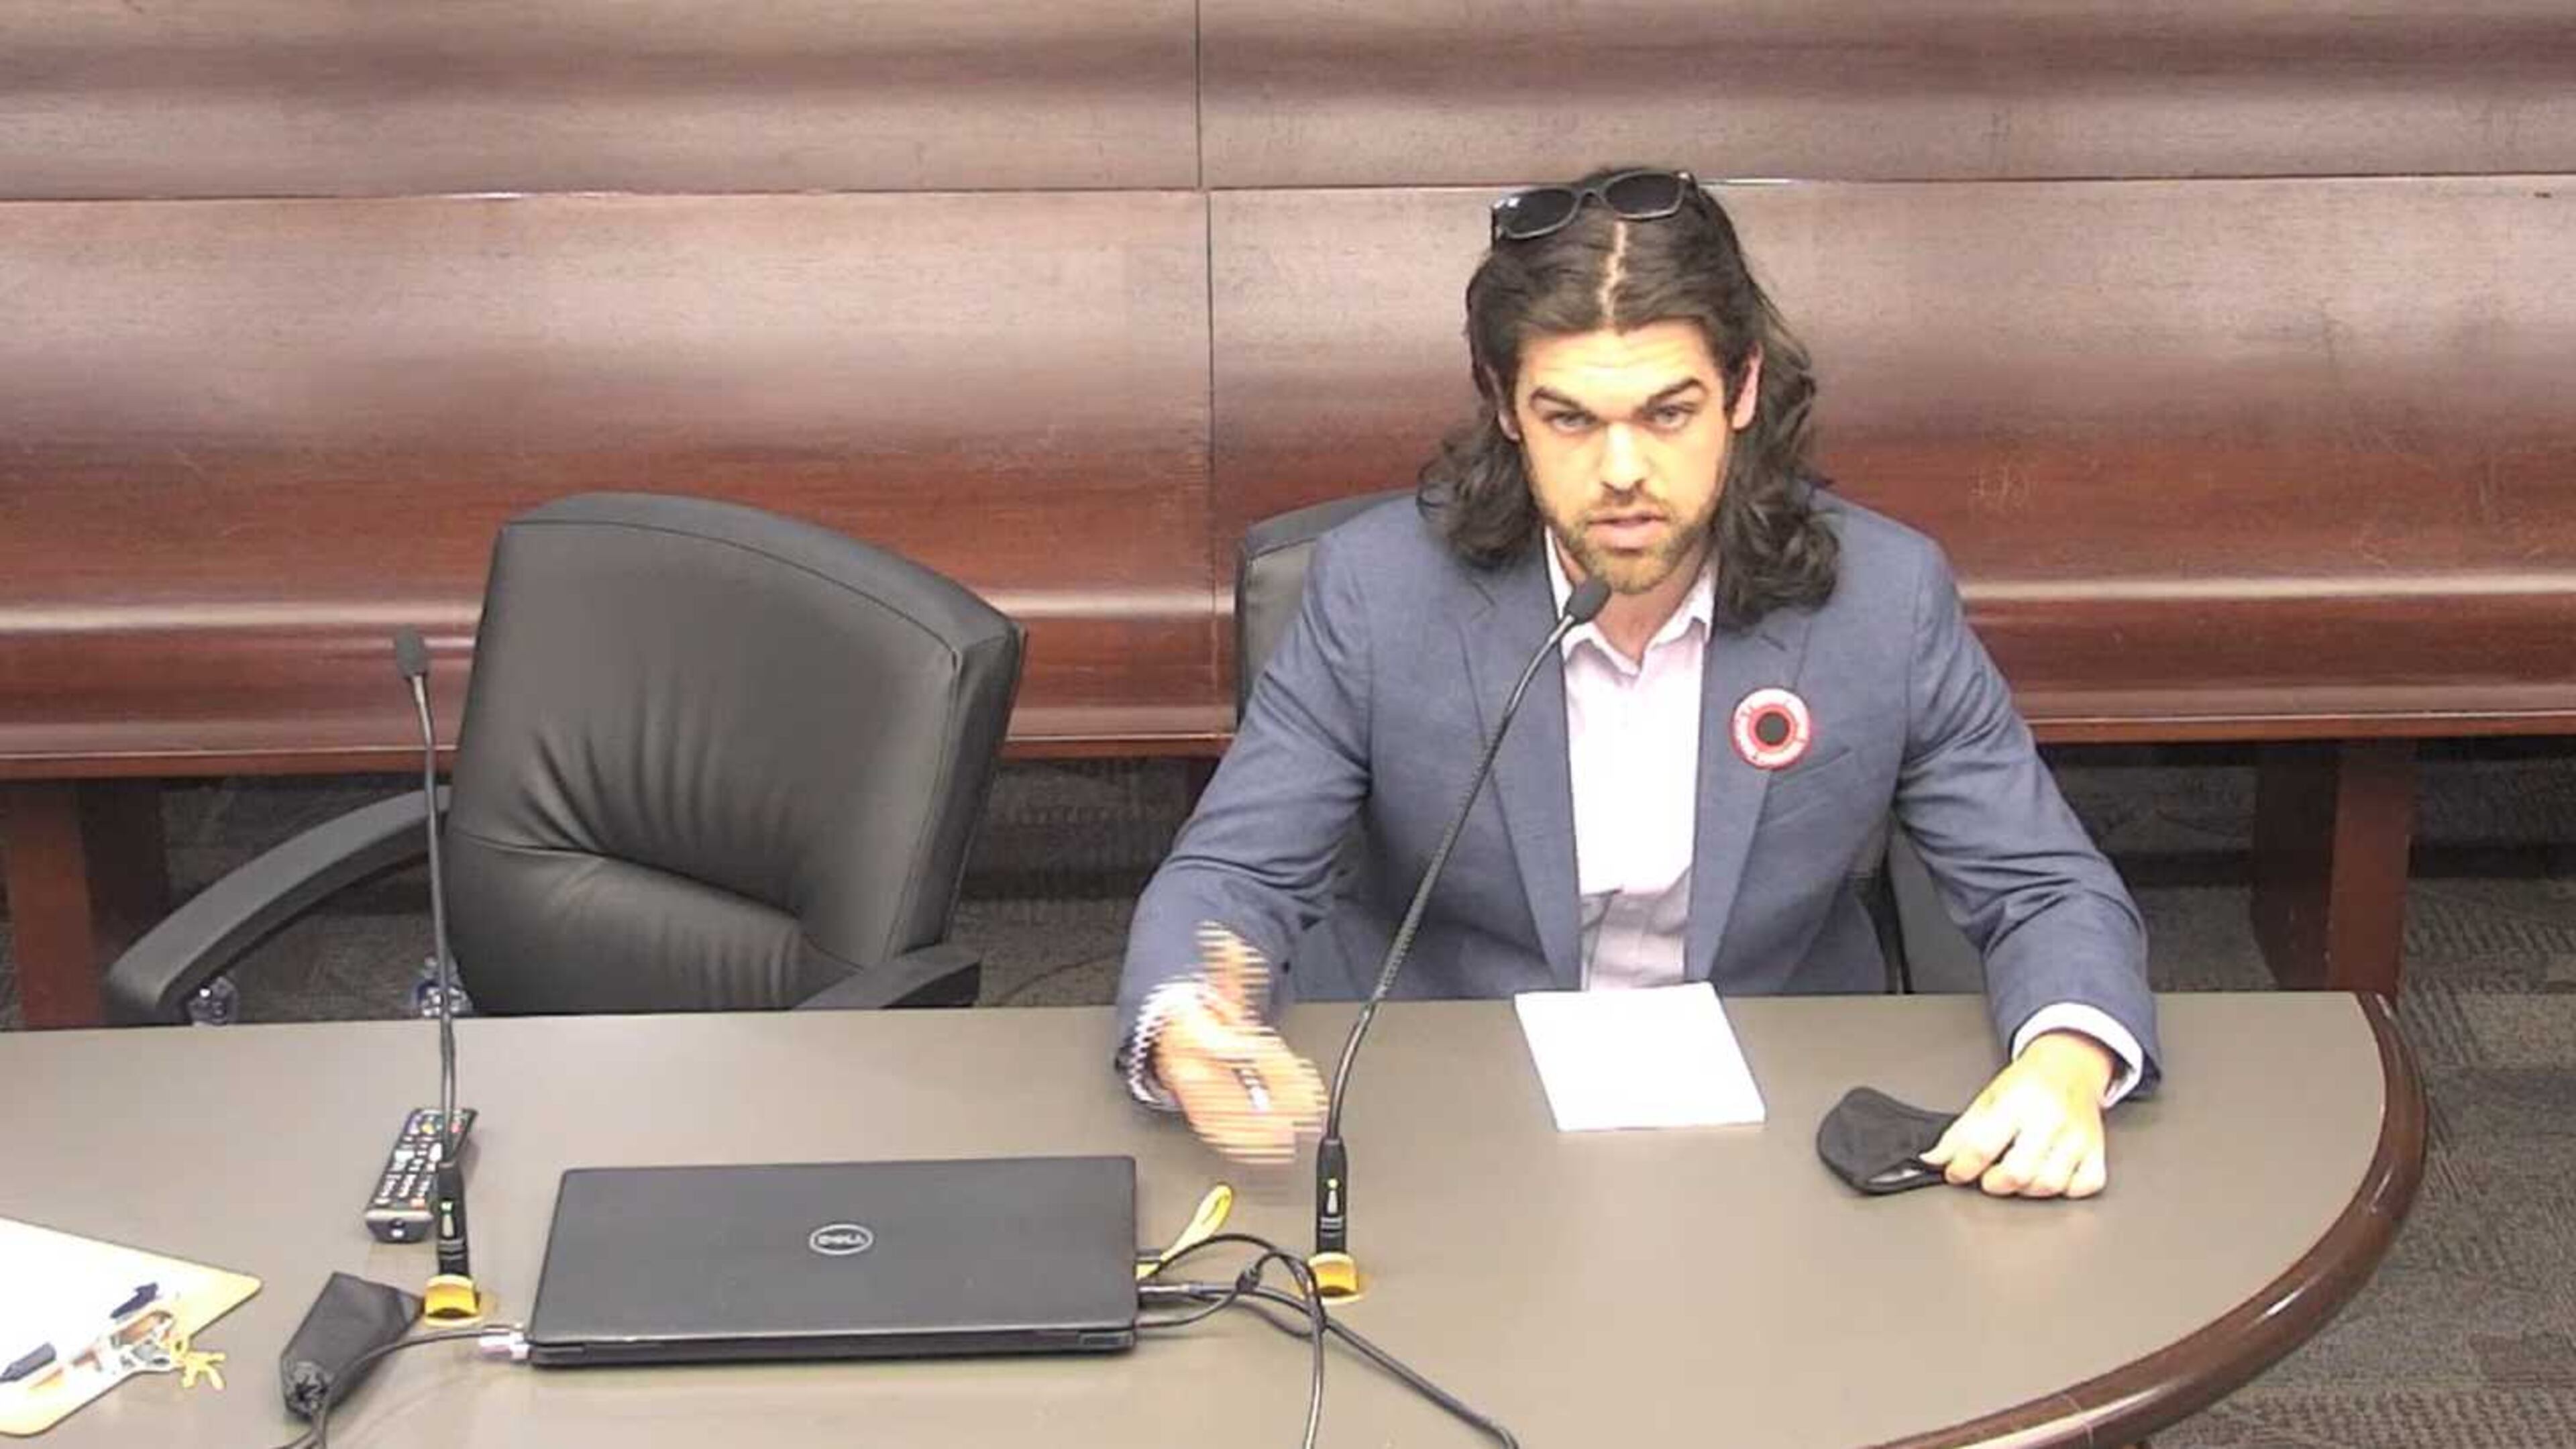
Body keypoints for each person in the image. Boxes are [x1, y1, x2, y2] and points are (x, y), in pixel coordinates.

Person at [1115, 166, 2158, 1200]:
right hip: (1449, 1110)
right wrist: (1187, 1018)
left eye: (1668, 415)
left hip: (1779, 1116)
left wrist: (2064, 1059)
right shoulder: (1379, 593)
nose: (1622, 472)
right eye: (1571, 419)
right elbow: (1233, 875)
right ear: (1506, 406)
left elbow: (2046, 886)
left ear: (1742, 391)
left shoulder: (1882, 599)